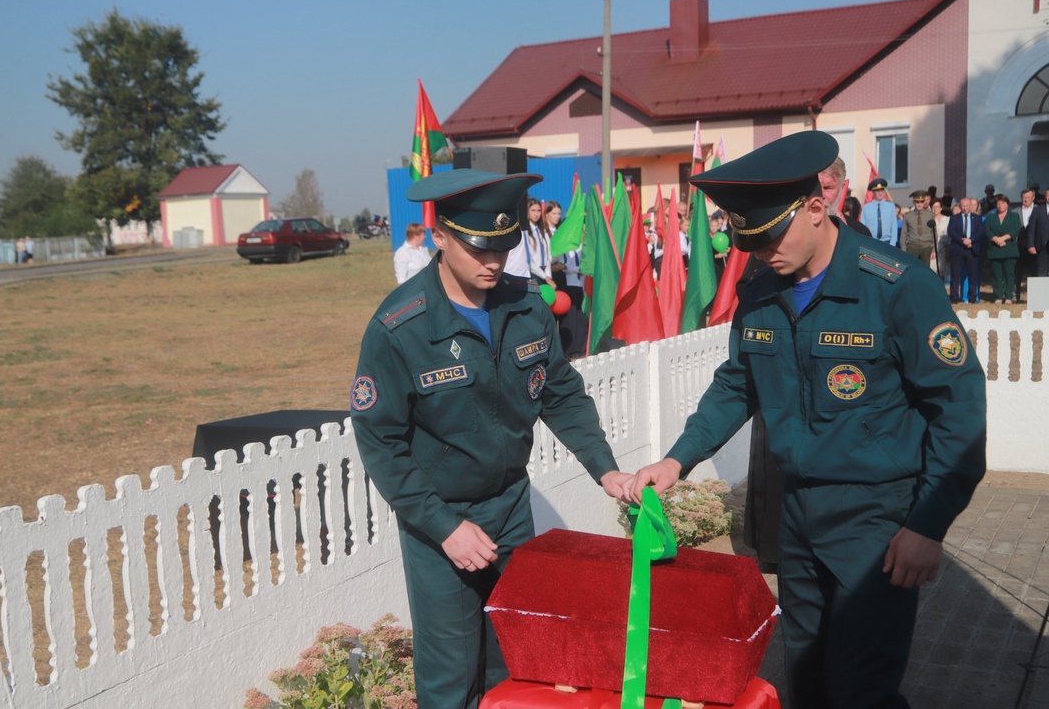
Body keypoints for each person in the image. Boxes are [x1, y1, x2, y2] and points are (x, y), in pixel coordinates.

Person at [622, 131, 986, 709]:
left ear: (818, 207)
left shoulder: (895, 285)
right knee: (807, 681)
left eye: (771, 236)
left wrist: (928, 526)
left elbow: (959, 410)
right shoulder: (761, 289)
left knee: (861, 689)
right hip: (797, 517)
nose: (763, 251)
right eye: (751, 239)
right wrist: (677, 459)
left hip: (878, 519)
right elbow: (737, 384)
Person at [350, 168, 632, 709]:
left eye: (504, 246)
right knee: (451, 676)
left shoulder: (526, 306)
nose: (494, 262)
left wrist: (606, 467)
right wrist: (444, 527)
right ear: (440, 237)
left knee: (520, 659)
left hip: (510, 509)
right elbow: (380, 442)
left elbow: (562, 395)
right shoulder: (400, 326)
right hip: (443, 523)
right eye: (479, 247)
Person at [948, 197, 986, 303]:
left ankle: (972, 297)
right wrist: (962, 240)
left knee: (973, 275)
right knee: (955, 275)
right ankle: (954, 296)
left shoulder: (978, 218)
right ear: (960, 206)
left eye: (967, 206)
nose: (965, 208)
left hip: (972, 249)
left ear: (971, 206)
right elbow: (951, 231)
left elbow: (981, 231)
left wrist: (971, 240)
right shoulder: (954, 218)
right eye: (963, 206)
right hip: (958, 249)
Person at [984, 193, 1021, 304]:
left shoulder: (1014, 216)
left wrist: (1004, 238)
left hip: (1009, 248)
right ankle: (998, 296)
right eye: (998, 204)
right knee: (997, 274)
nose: (1000, 206)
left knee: (1009, 274)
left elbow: (1016, 229)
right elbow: (987, 230)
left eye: (1002, 203)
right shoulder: (991, 217)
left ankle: (1009, 296)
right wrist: (996, 239)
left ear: (1007, 204)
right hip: (995, 249)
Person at [901, 189, 935, 266]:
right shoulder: (908, 216)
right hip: (912, 247)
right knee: (912, 269)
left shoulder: (930, 215)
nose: (919, 204)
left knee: (925, 271)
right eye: (917, 202)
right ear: (913, 202)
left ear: (924, 202)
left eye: (922, 202)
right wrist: (903, 248)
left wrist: (933, 250)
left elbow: (934, 233)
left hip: (926, 247)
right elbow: (904, 233)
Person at [1021, 187, 1049, 280]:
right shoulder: (1037, 210)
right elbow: (1031, 230)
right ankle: (1042, 294)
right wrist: (1031, 245)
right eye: (1047, 195)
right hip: (1042, 247)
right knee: (1041, 273)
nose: (1048, 197)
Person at [861, 177, 898, 245]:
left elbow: (894, 226)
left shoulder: (891, 206)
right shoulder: (866, 208)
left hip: (887, 242)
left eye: (882, 190)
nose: (880, 193)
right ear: (873, 192)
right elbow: (863, 227)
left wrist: (892, 243)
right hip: (872, 242)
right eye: (877, 191)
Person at [932, 198, 951, 281]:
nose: (935, 209)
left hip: (944, 248)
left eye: (937, 207)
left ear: (941, 208)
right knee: (933, 270)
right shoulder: (929, 219)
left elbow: (949, 235)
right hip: (933, 248)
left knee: (942, 271)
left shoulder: (947, 219)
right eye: (933, 207)